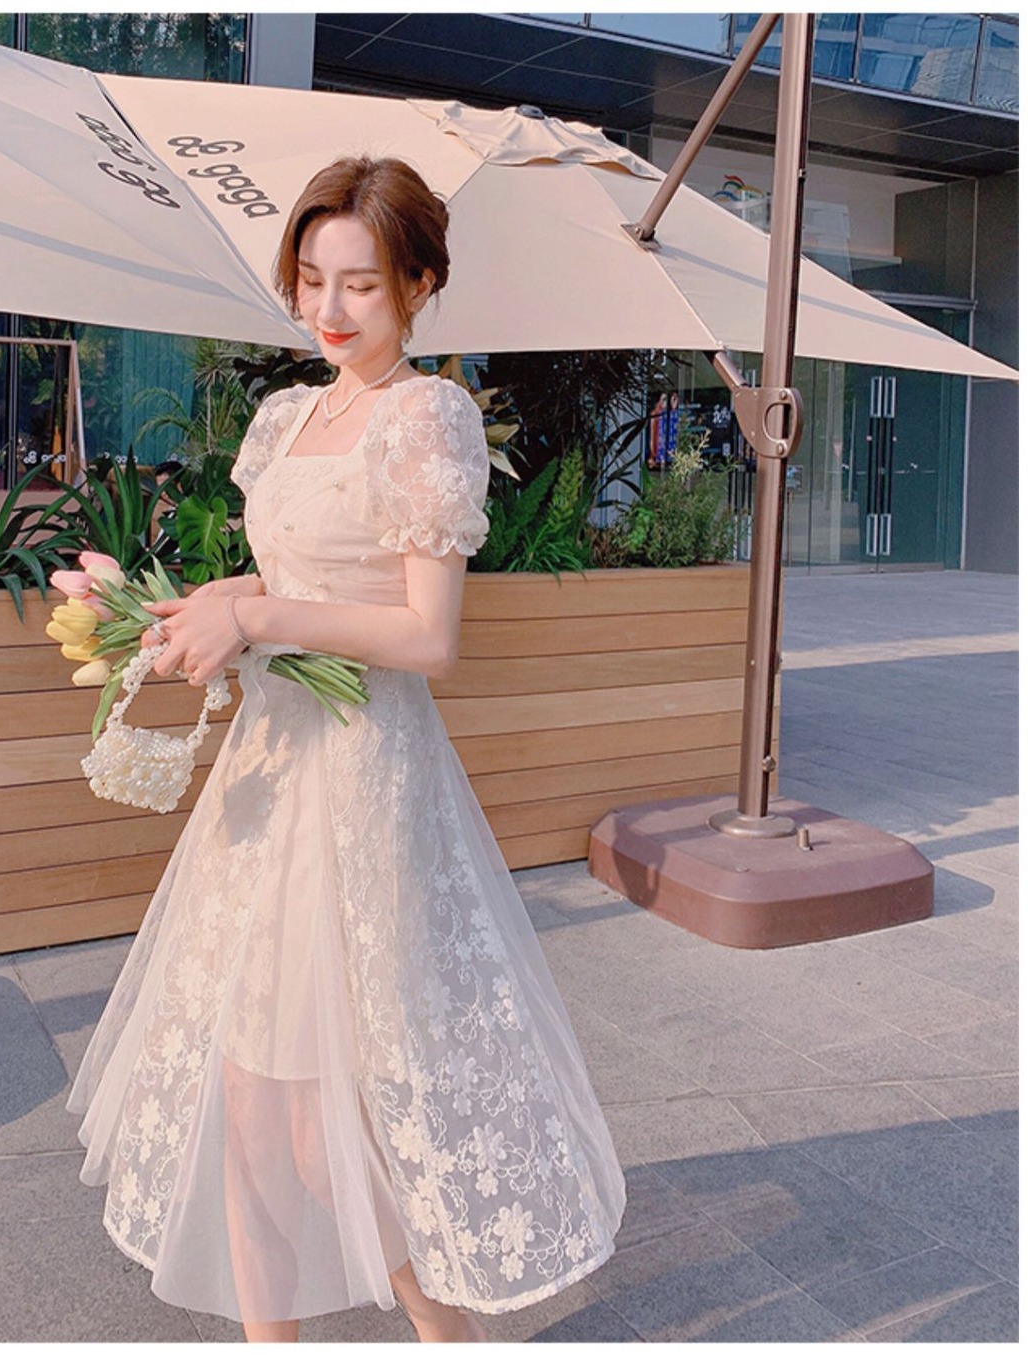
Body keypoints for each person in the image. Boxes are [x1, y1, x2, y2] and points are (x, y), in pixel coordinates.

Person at [66, 156, 626, 1343]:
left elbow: (427, 637)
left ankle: (443, 1329)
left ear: (417, 285)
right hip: (268, 764)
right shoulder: (285, 415)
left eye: (360, 284)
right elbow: (284, 576)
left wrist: (261, 615)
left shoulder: (427, 416)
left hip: (363, 771)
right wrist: (203, 609)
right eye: (311, 279)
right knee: (243, 1092)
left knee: (331, 1118)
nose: (327, 308)